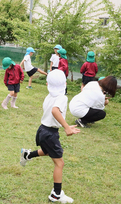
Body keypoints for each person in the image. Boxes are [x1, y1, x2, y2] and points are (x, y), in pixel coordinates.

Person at [20, 69, 80, 203]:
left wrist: (66, 126)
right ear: (65, 84)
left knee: (47, 151)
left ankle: (28, 155)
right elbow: (55, 111)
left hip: (43, 130)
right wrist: (66, 127)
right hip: (50, 133)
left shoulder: (49, 96)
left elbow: (52, 113)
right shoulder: (62, 97)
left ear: (47, 84)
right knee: (59, 163)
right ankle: (56, 194)